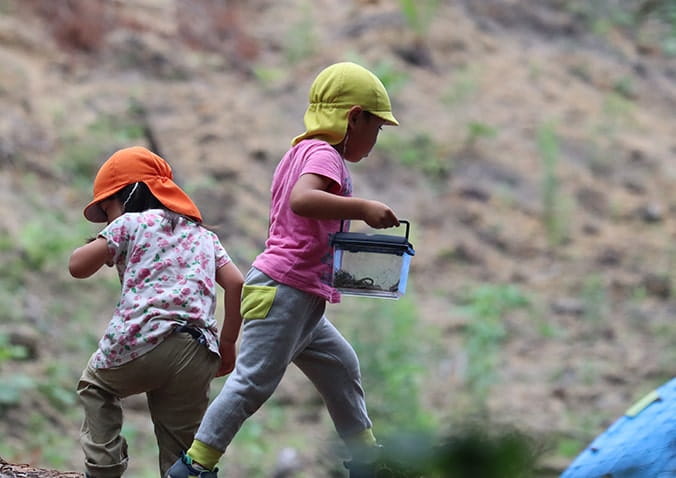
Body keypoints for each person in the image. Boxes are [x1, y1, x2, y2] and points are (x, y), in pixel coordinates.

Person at [166, 61, 400, 478]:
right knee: (251, 383)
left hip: (300, 296)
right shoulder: (323, 155)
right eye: (376, 128)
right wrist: (362, 209)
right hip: (284, 291)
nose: (376, 139)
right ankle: (194, 467)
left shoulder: (300, 152)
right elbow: (302, 201)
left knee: (341, 366)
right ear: (354, 117)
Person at [68, 146, 244, 478]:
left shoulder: (129, 224)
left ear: (129, 194)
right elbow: (236, 284)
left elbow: (77, 266)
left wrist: (106, 238)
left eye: (107, 210)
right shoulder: (204, 236)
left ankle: (104, 468)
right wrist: (229, 344)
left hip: (140, 342)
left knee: (96, 385)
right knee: (183, 451)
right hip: (198, 351)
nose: (109, 219)